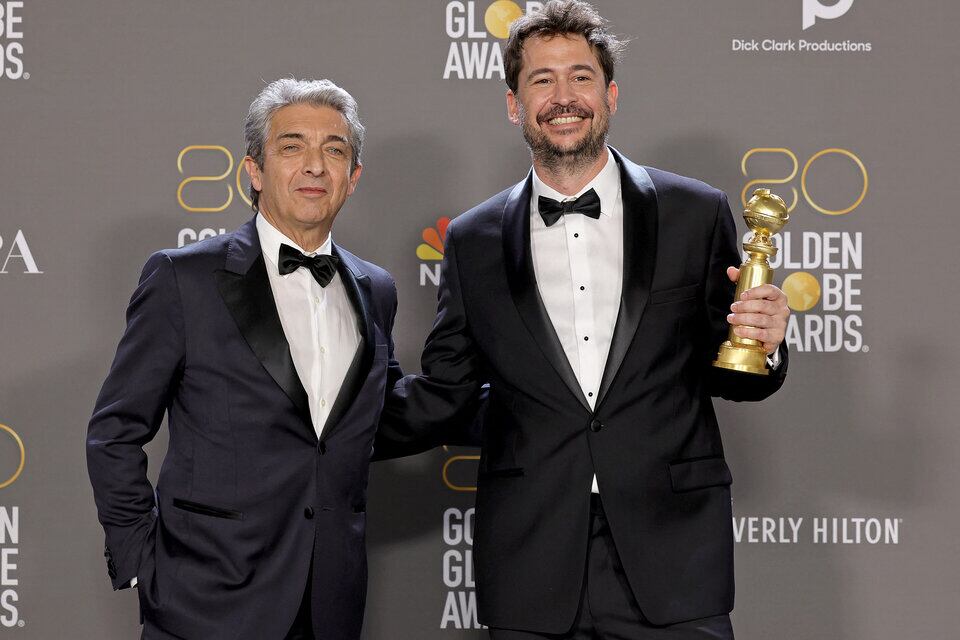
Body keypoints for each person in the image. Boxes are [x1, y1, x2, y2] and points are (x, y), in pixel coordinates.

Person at [378, 2, 791, 638]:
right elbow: (447, 393)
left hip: (672, 553)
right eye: (542, 80)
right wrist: (324, 425)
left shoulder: (695, 212)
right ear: (513, 104)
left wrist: (766, 344)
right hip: (531, 558)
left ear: (612, 94)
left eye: (581, 76)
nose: (563, 96)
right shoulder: (473, 239)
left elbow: (736, 372)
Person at [87, 78, 400, 640]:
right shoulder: (184, 278)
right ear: (253, 171)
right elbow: (115, 431)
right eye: (291, 146)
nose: (314, 166)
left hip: (329, 603)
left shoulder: (376, 289)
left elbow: (384, 414)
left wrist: (521, 402)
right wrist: (139, 561)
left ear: (353, 177)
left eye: (334, 150)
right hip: (205, 601)